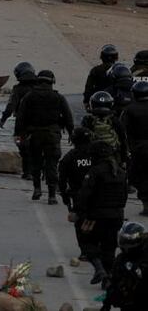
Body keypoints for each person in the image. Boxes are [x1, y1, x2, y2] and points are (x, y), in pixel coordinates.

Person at [77, 140, 129, 287]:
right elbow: (124, 197)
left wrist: (81, 213)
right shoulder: (120, 172)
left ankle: (99, 269)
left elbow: (85, 194)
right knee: (109, 247)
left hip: (96, 216)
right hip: (116, 215)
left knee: (86, 241)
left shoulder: (95, 171)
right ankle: (108, 278)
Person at [18, 70, 75, 203]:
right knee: (52, 164)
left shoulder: (29, 96)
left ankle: (37, 189)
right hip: (52, 136)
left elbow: (21, 117)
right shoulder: (58, 98)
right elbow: (68, 118)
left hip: (34, 135)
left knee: (36, 162)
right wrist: (71, 134)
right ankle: (51, 195)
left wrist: (20, 134)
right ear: (52, 82)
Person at [59, 127, 96, 260]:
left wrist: (64, 197)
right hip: (98, 195)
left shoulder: (70, 157)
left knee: (80, 222)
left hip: (79, 196)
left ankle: (85, 250)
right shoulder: (98, 155)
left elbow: (62, 179)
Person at [1, 62, 39, 180]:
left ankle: (28, 172)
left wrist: (4, 118)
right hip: (41, 122)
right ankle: (37, 171)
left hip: (22, 124)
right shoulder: (41, 87)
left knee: (23, 147)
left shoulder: (18, 89)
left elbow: (11, 105)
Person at [102, 222, 148, 310]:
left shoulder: (145, 256)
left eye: (127, 241)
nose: (125, 245)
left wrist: (135, 270)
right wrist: (107, 302)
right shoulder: (121, 259)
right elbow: (113, 280)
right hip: (129, 303)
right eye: (123, 240)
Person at [121, 81, 148, 216]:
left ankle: (146, 204)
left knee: (139, 176)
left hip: (138, 149)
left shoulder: (129, 109)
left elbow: (123, 130)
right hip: (139, 147)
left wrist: (127, 149)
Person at [83, 91, 128, 166]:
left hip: (93, 158)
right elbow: (123, 141)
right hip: (114, 157)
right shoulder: (115, 121)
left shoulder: (87, 120)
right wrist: (124, 160)